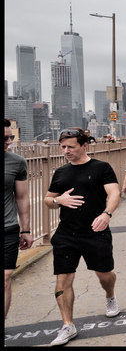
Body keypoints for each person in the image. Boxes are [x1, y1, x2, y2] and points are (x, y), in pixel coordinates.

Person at [43, 128, 121, 346]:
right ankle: (68, 325)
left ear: (84, 145)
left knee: (104, 275)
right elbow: (48, 200)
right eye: (63, 147)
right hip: (66, 233)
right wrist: (59, 201)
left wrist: (106, 214)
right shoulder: (60, 172)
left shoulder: (101, 168)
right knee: (63, 279)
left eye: (71, 146)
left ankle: (110, 296)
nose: (66, 151)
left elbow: (114, 193)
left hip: (95, 231)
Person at [5, 119, 34, 321]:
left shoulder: (17, 162)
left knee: (5, 278)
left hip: (8, 228)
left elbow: (22, 197)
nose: (9, 142)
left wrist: (26, 230)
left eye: (11, 137)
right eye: (4, 138)